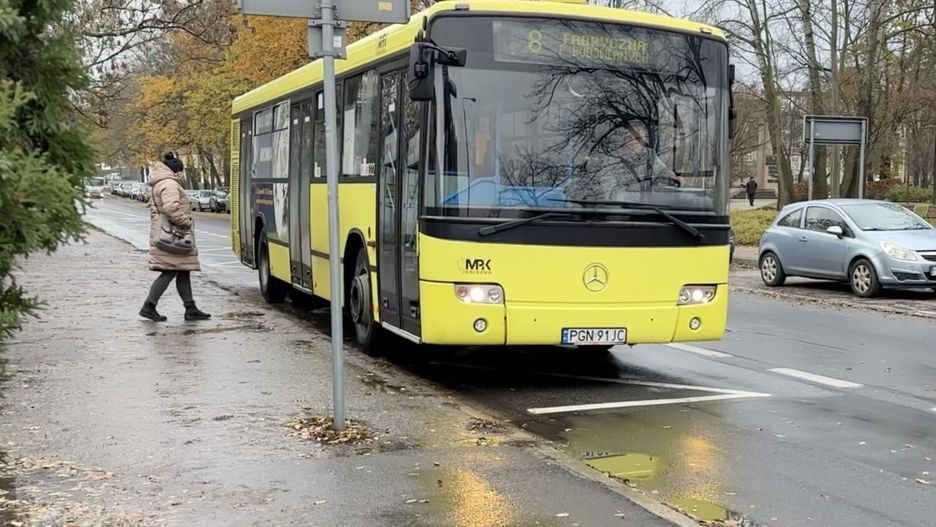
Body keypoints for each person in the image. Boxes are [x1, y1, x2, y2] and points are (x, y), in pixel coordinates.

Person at [139, 153, 211, 322]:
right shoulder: (170, 184)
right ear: (177, 171)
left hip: (166, 233)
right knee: (169, 270)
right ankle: (149, 306)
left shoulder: (161, 182)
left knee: (183, 271)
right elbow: (171, 208)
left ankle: (190, 308)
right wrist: (185, 222)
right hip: (173, 235)